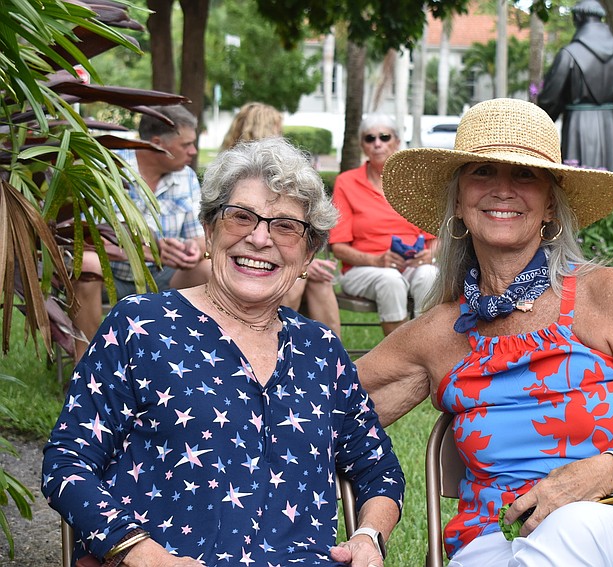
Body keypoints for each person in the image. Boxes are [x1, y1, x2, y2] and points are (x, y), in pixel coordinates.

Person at [357, 98, 613, 566]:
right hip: (497, 537)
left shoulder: (610, 295)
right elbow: (323, 407)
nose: (502, 189)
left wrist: (603, 472)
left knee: (573, 525)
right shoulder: (439, 334)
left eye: (525, 175)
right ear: (459, 202)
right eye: (482, 171)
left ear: (550, 204)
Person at [42, 137, 405, 567]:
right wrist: (141, 553)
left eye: (285, 226)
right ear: (210, 231)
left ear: (308, 254)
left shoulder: (321, 350)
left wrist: (368, 536)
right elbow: (67, 461)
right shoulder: (141, 325)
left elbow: (378, 468)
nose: (259, 238)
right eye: (241, 217)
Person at [70, 105, 210, 361]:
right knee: (88, 263)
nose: (193, 151)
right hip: (111, 276)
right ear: (157, 144)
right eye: (186, 144)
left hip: (164, 276)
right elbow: (84, 236)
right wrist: (148, 250)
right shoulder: (107, 169)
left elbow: (200, 238)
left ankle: (195, 362)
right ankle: (85, 366)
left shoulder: (186, 177)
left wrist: (192, 250)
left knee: (209, 270)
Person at [221, 102, 342, 336]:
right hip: (224, 262)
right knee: (299, 279)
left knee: (318, 279)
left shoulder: (287, 177)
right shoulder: (233, 176)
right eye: (277, 127)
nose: (281, 134)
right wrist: (302, 267)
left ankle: (333, 351)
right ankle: (279, 338)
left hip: (284, 257)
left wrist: (305, 262)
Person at [329, 113, 438, 336]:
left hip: (412, 265)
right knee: (390, 280)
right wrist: (377, 260)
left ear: (396, 142)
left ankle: (425, 347)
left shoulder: (413, 182)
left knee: (430, 274)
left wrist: (430, 256)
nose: (377, 143)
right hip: (363, 269)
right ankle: (400, 353)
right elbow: (338, 247)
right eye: (370, 138)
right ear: (363, 145)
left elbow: (435, 239)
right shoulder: (347, 182)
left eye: (384, 137)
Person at [537, 0, 613, 174]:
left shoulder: (568, 54)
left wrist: (546, 118)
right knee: (612, 184)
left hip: (577, 127)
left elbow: (549, 99)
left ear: (578, 17)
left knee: (577, 182)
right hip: (611, 129)